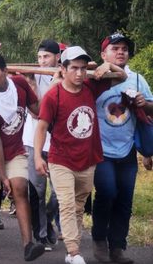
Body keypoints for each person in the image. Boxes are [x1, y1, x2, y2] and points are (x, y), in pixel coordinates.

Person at [34, 46, 127, 264]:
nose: (79, 73)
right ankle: (74, 252)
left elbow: (121, 76)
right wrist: (38, 156)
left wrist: (108, 65)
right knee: (66, 204)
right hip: (61, 159)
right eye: (74, 68)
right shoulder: (53, 95)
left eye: (83, 69)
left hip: (87, 158)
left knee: (78, 205)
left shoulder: (90, 86)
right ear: (63, 69)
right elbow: (41, 127)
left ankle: (69, 251)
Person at [0, 53, 45, 261]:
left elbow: (37, 110)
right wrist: (3, 177)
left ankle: (28, 245)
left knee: (21, 189)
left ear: (5, 72)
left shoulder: (20, 84)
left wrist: (58, 84)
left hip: (15, 150)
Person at [92, 32, 153, 264]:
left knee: (125, 199)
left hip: (127, 150)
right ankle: (99, 240)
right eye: (115, 48)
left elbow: (152, 109)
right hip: (100, 151)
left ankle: (117, 248)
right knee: (107, 193)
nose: (120, 52)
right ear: (103, 54)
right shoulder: (94, 78)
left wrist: (143, 103)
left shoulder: (137, 79)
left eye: (124, 49)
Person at [22, 39, 61, 249]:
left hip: (57, 144)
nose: (42, 61)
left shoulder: (66, 77)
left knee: (59, 193)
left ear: (57, 57)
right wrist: (33, 84)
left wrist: (56, 83)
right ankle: (41, 234)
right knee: (36, 191)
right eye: (39, 57)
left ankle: (48, 214)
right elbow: (38, 110)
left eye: (46, 57)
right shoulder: (32, 76)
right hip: (33, 141)